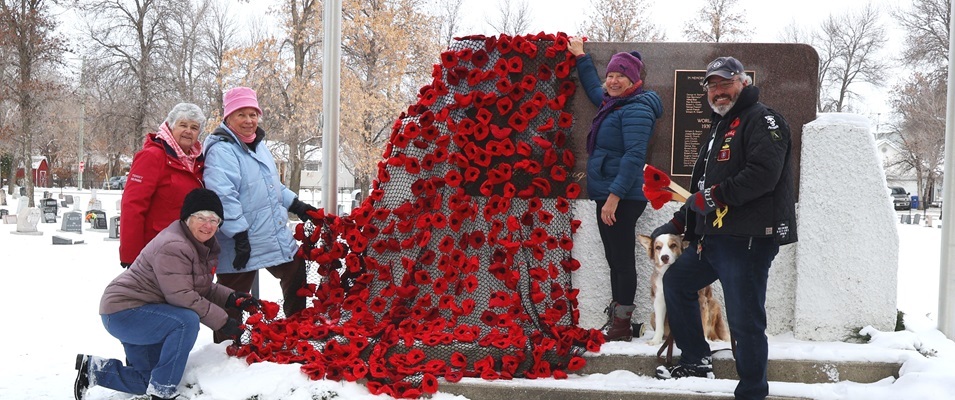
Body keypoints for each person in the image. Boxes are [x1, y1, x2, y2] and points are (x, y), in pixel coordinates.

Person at [651, 57, 797, 400]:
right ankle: (696, 358)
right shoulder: (720, 126)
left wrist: (713, 198)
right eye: (712, 86)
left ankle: (751, 391)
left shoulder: (763, 119)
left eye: (725, 83)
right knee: (677, 281)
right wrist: (680, 222)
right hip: (713, 239)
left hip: (747, 239)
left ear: (743, 83)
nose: (718, 91)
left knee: (745, 320)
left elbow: (763, 174)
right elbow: (701, 189)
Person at [74, 188, 261, 400]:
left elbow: (200, 287)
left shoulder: (200, 244)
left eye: (214, 220)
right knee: (186, 321)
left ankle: (93, 370)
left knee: (145, 380)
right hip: (126, 312)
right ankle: (162, 391)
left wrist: (232, 298)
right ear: (187, 218)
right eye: (201, 218)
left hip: (148, 311)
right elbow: (181, 296)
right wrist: (224, 321)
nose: (208, 225)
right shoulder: (174, 245)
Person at [567, 37, 663, 341]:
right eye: (610, 75)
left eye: (620, 75)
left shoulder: (638, 109)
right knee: (613, 258)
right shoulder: (614, 103)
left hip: (622, 196)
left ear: (634, 80)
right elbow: (596, 90)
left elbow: (634, 156)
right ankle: (619, 318)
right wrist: (581, 57)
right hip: (608, 194)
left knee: (621, 261)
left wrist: (614, 198)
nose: (612, 80)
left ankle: (622, 326)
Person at [202, 86, 316, 343]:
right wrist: (239, 234)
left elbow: (271, 185)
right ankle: (225, 349)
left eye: (253, 114)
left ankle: (297, 331)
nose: (249, 120)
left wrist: (296, 205)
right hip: (239, 240)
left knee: (295, 272)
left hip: (270, 234)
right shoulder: (222, 150)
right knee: (232, 296)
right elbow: (223, 195)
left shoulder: (258, 145)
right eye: (241, 114)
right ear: (228, 117)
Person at [119, 103, 207, 268]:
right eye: (183, 125)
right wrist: (131, 255)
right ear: (171, 126)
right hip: (156, 251)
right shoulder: (152, 157)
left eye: (194, 127)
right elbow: (132, 205)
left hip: (189, 252)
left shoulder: (198, 163)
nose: (189, 131)